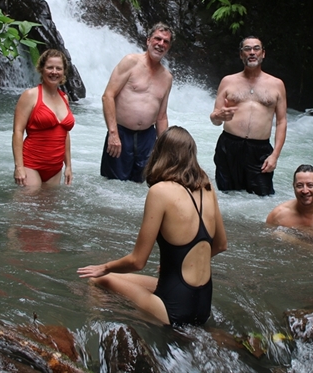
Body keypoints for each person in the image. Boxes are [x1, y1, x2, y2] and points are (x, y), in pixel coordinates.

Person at [78, 126, 228, 326]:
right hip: (202, 306)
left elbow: (137, 261)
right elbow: (221, 245)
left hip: (171, 309)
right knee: (129, 280)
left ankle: (99, 328)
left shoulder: (160, 191)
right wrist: (187, 263)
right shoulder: (207, 188)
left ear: (160, 154)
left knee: (98, 280)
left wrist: (103, 267)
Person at [209, 36, 287, 195]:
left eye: (256, 48)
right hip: (229, 146)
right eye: (247, 49)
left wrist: (275, 156)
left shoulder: (277, 84)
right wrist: (219, 116)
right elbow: (215, 119)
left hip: (260, 150)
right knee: (227, 197)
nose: (252, 52)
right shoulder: (227, 81)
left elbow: (281, 122)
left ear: (263, 53)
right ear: (241, 54)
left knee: (263, 198)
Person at [100, 23, 174, 182]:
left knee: (143, 184)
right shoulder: (131, 62)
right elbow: (108, 96)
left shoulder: (167, 77)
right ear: (148, 40)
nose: (161, 44)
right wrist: (113, 133)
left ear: (168, 47)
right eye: (157, 39)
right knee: (113, 185)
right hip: (121, 134)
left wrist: (163, 147)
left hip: (147, 138)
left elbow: (161, 116)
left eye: (166, 41)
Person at [12, 49, 75, 190]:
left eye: (58, 68)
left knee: (48, 203)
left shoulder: (64, 98)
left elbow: (65, 133)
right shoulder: (30, 95)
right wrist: (19, 167)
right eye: (50, 67)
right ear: (41, 69)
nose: (54, 72)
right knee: (28, 202)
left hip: (55, 167)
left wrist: (68, 165)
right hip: (31, 164)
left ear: (64, 72)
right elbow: (17, 132)